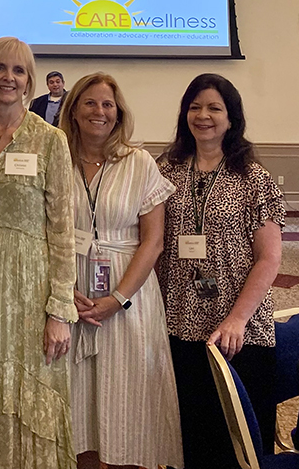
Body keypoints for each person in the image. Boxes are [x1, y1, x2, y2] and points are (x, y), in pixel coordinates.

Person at [156, 73, 283, 469]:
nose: (203, 116)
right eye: (195, 107)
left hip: (238, 330)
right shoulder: (166, 169)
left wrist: (237, 320)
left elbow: (269, 257)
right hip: (179, 323)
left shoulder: (253, 177)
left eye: (214, 108)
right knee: (192, 435)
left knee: (240, 443)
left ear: (232, 118)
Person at [0, 37, 77, 469]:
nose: (8, 78)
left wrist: (59, 310)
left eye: (19, 71)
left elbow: (63, 230)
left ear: (30, 81)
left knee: (29, 398)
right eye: (0, 69)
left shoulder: (50, 141)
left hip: (30, 295)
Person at [57, 73, 182, 469]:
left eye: (107, 104)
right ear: (73, 109)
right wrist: (61, 291)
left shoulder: (138, 162)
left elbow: (153, 241)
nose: (99, 111)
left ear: (119, 112)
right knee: (78, 402)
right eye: (90, 103)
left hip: (130, 298)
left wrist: (117, 299)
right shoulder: (54, 157)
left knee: (127, 398)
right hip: (71, 295)